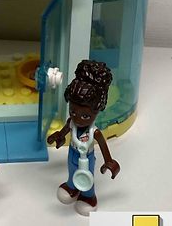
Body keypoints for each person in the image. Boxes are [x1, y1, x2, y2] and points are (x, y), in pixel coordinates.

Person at [47, 60, 120, 215]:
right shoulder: (72, 123)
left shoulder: (95, 132)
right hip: (72, 154)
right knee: (72, 170)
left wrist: (109, 161)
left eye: (85, 116)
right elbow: (65, 130)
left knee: (88, 177)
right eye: (73, 112)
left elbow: (103, 146)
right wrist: (59, 136)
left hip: (87, 157)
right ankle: (72, 187)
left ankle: (88, 197)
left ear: (96, 111)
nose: (77, 118)